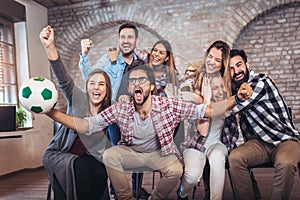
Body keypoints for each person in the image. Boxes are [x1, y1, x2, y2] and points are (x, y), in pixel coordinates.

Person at [44, 64, 253, 200]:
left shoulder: (169, 105)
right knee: (109, 155)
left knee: (176, 170)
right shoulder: (121, 108)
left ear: (151, 86)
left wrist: (238, 98)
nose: (137, 84)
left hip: (158, 154)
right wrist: (51, 112)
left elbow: (208, 109)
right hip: (131, 154)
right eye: (132, 81)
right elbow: (85, 125)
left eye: (142, 80)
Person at [40, 26, 111, 200]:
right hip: (61, 154)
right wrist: (49, 46)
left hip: (87, 156)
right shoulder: (78, 99)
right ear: (87, 87)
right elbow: (62, 77)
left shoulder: (109, 109)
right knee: (81, 170)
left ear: (107, 89)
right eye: (92, 83)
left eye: (101, 84)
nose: (96, 87)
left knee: (100, 170)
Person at [80, 23, 150, 199]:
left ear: (136, 40)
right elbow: (90, 76)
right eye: (123, 37)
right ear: (119, 40)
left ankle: (135, 189)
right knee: (114, 152)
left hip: (136, 115)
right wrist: (84, 55)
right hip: (114, 115)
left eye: (130, 37)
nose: (126, 41)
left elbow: (147, 89)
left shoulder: (141, 62)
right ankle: (116, 190)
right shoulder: (109, 60)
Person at [224, 49, 300, 200]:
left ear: (247, 65)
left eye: (239, 65)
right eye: (231, 69)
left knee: (286, 163)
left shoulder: (260, 83)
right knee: (235, 158)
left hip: (285, 140)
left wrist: (206, 107)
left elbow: (228, 111)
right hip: (260, 144)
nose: (236, 71)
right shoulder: (234, 90)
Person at [177, 40, 232, 200]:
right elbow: (202, 130)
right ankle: (182, 194)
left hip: (218, 143)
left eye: (218, 60)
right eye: (210, 56)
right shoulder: (195, 83)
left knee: (217, 158)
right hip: (195, 144)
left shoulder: (226, 89)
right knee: (192, 176)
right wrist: (205, 100)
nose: (212, 62)